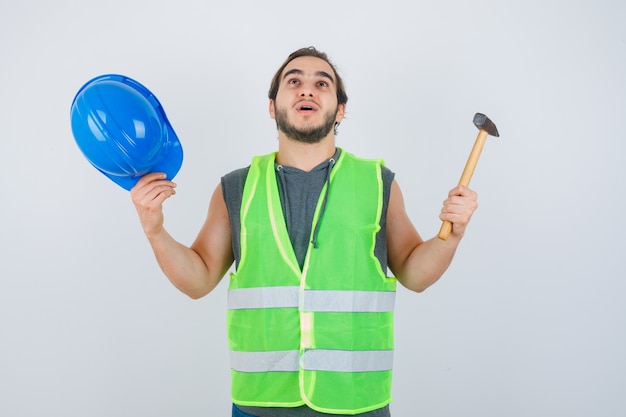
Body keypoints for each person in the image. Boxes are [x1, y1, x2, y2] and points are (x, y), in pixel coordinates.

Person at [130, 47, 478, 417]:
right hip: (260, 404)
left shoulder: (378, 182)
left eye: (321, 83)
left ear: (340, 110)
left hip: (356, 403)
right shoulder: (236, 188)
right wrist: (155, 231)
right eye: (293, 81)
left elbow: (415, 273)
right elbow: (197, 280)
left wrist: (451, 236)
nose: (307, 90)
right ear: (272, 105)